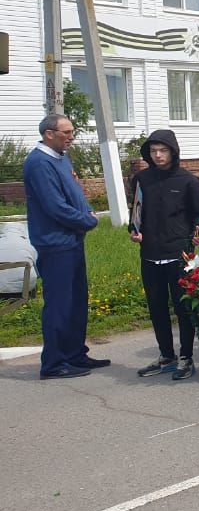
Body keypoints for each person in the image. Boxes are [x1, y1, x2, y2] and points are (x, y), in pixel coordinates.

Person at [23, 115, 103, 379]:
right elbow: (54, 206)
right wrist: (86, 221)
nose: (71, 137)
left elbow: (75, 192)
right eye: (66, 132)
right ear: (49, 134)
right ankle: (54, 363)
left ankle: (75, 354)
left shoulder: (60, 157)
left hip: (72, 240)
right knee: (59, 304)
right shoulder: (39, 163)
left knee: (77, 301)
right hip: (55, 243)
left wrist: (88, 212)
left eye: (72, 132)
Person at [131, 129, 199, 380]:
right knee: (156, 307)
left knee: (183, 307)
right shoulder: (141, 179)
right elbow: (136, 212)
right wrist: (134, 231)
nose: (158, 155)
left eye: (163, 150)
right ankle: (166, 354)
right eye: (153, 151)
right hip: (150, 253)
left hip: (179, 253)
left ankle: (186, 357)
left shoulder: (188, 181)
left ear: (173, 152)